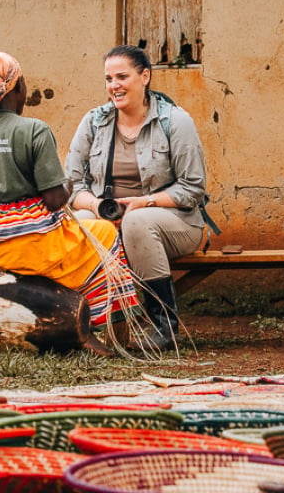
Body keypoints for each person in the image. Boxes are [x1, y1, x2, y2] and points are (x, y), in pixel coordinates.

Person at [0, 51, 140, 356]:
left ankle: (61, 321)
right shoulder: (34, 130)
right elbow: (53, 201)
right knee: (103, 234)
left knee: (79, 235)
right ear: (18, 88)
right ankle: (100, 332)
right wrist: (69, 186)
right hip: (31, 247)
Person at [65, 45, 207, 350]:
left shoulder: (175, 121)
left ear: (145, 76)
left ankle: (164, 326)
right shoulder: (94, 122)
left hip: (173, 220)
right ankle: (83, 326)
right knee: (83, 223)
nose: (114, 85)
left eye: (122, 76)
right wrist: (96, 206)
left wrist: (143, 202)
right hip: (110, 217)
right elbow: (72, 184)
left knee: (137, 222)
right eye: (108, 79)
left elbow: (192, 189)